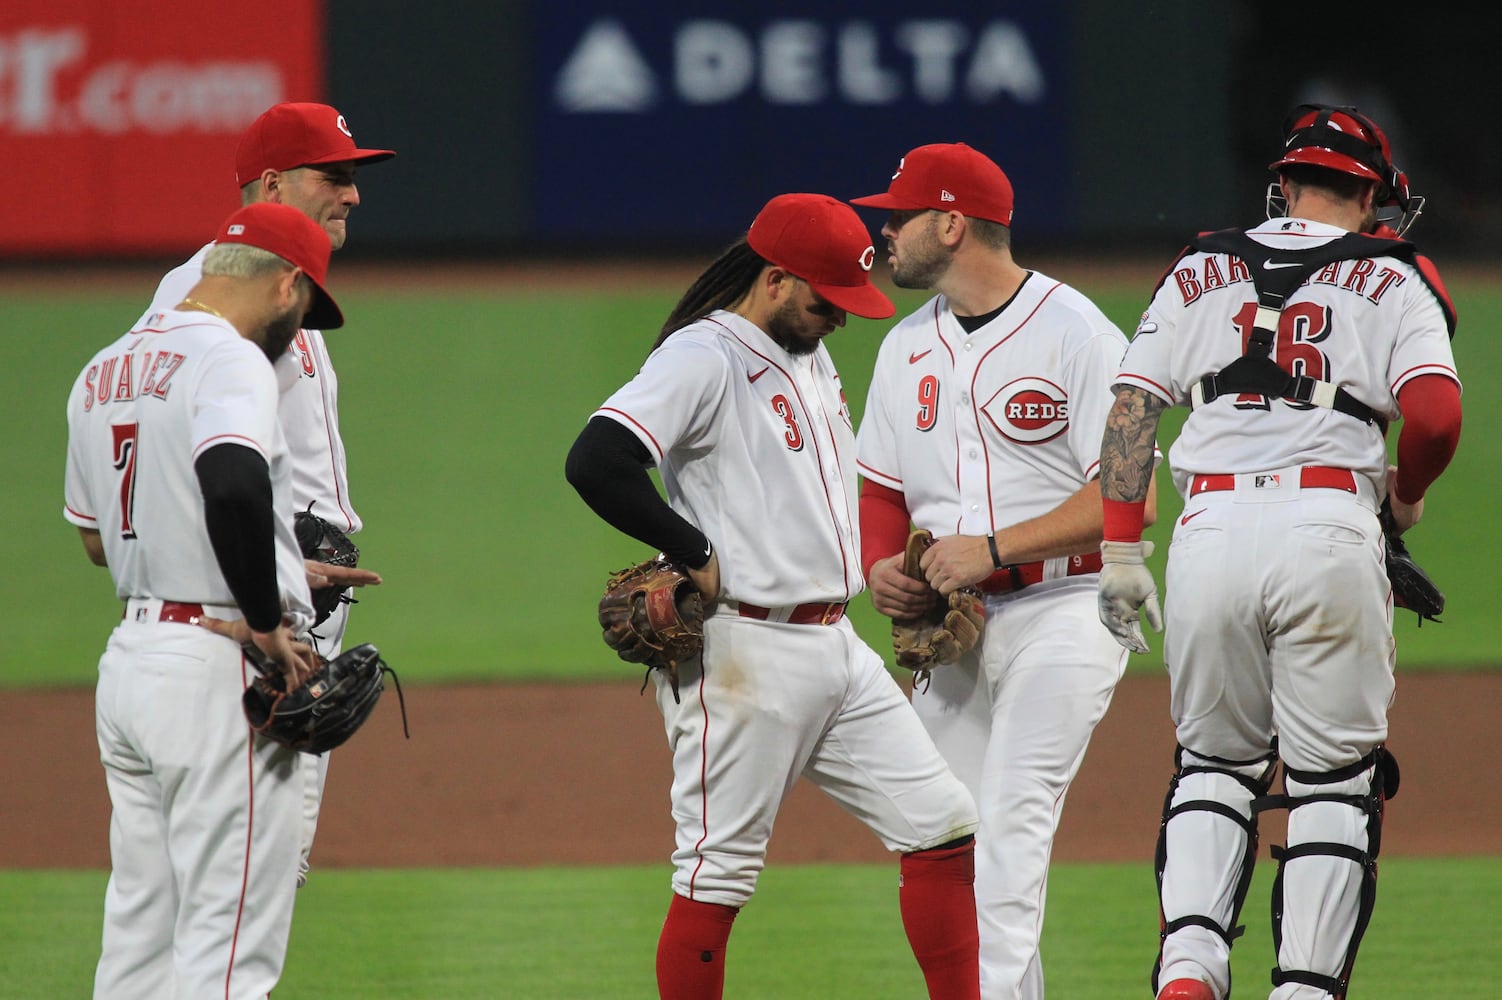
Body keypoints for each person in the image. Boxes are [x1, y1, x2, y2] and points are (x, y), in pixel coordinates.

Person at [565, 192, 983, 1000]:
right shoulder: (703, 357)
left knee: (942, 825)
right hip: (742, 658)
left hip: (835, 649)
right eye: (828, 300)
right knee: (714, 880)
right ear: (777, 280)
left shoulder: (808, 354)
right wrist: (692, 550)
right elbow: (596, 459)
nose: (842, 318)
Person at [1095, 105, 1461, 1000]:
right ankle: (1299, 989)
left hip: (1209, 535)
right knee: (1335, 781)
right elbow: (1439, 417)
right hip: (1330, 531)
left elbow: (1134, 413)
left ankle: (1187, 969)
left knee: (1213, 766)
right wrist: (1403, 500)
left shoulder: (1197, 267)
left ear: (1284, 184)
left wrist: (1118, 552)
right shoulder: (1398, 276)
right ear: (1371, 196)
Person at [848, 141, 1158, 999]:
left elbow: (1133, 497)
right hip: (954, 638)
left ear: (952, 223)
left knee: (1011, 833)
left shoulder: (1078, 333)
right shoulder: (904, 347)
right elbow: (881, 487)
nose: (885, 229)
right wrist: (884, 568)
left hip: (1066, 610)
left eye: (899, 214)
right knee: (946, 838)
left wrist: (990, 549)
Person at [65, 202, 346, 998]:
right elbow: (230, 480)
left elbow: (96, 539)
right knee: (227, 959)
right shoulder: (231, 362)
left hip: (130, 669)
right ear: (286, 282)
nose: (300, 329)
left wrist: (285, 561)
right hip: (215, 672)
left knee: (139, 944)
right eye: (307, 308)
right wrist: (267, 619)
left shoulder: (103, 368)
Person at [144, 100, 394, 888]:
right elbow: (168, 446)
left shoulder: (289, 285)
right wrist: (274, 571)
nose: (353, 195)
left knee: (270, 857)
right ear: (274, 181)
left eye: (354, 179)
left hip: (289, 590)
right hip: (256, 601)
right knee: (253, 862)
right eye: (335, 177)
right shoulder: (205, 293)